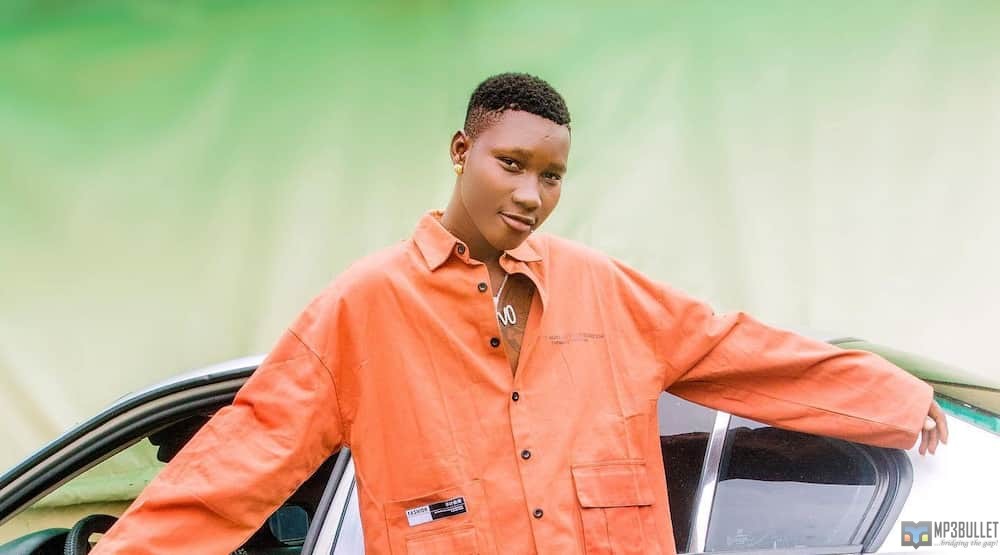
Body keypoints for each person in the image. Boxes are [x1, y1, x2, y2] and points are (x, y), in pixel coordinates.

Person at [92, 72, 948, 554]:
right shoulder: (365, 305)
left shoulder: (602, 288)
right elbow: (242, 459)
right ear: (462, 151)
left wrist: (890, 397)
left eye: (553, 175)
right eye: (512, 164)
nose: (533, 195)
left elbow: (735, 350)